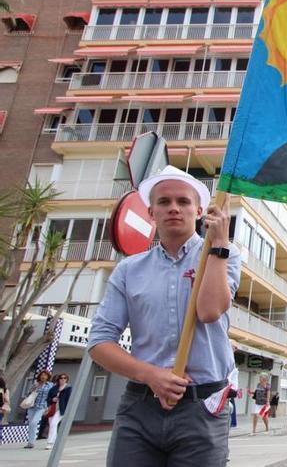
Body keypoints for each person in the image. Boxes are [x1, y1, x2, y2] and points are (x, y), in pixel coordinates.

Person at [88, 165, 241, 466]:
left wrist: (220, 244)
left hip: (202, 408)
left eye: (183, 202)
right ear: (150, 212)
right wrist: (151, 376)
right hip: (140, 407)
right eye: (164, 202)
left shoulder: (225, 254)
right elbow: (99, 342)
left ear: (199, 211)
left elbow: (209, 311)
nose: (174, 208)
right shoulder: (129, 270)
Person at [23, 370, 53, 449]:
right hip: (32, 406)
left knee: (34, 422)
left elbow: (51, 396)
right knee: (31, 424)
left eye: (45, 375)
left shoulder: (50, 385)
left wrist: (48, 407)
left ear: (48, 377)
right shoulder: (36, 384)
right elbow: (28, 394)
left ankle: (32, 441)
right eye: (42, 375)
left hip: (42, 406)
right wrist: (33, 388)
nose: (43, 376)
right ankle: (30, 442)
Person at [45, 373, 72, 450]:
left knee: (53, 423)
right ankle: (55, 443)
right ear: (58, 379)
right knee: (52, 425)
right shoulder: (54, 388)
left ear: (67, 379)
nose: (63, 379)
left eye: (65, 378)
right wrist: (52, 400)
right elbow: (48, 398)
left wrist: (67, 410)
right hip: (53, 408)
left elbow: (69, 400)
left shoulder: (68, 388)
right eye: (61, 378)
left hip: (61, 409)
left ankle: (50, 442)